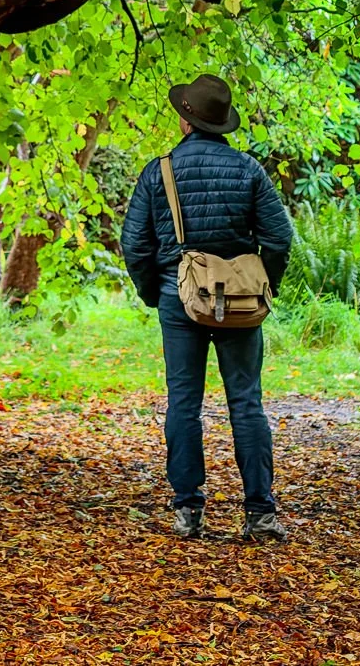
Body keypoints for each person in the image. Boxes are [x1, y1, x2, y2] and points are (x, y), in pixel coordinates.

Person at [121, 73, 294, 542]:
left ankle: (188, 511)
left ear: (184, 120)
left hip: (179, 300)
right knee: (246, 404)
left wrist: (154, 292)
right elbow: (279, 238)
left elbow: (134, 243)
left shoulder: (159, 172)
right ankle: (259, 513)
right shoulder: (248, 170)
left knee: (184, 403)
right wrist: (263, 285)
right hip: (241, 303)